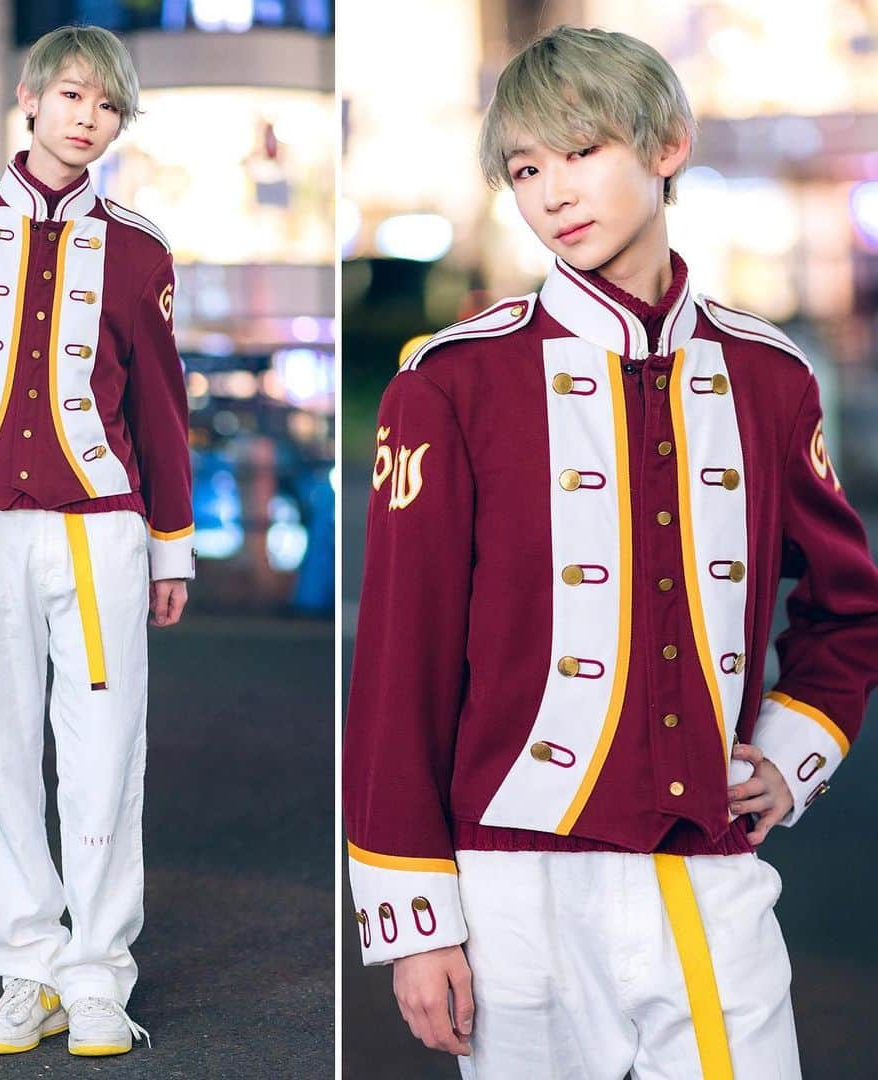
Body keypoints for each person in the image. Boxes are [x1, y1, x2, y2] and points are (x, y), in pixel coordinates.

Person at [342, 24, 878, 1078]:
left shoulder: (771, 377)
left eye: (580, 152)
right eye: (527, 169)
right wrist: (417, 919)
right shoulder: (450, 382)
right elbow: (398, 665)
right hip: (513, 888)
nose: (552, 193)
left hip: (710, 873)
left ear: (666, 145)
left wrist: (790, 751)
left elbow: (849, 607)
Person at [0, 24, 195, 1057]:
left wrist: (172, 544)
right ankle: (27, 970)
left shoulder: (143, 246)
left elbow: (160, 405)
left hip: (100, 531)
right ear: (28, 96)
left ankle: (100, 975)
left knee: (106, 758)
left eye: (107, 107)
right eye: (71, 96)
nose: (86, 119)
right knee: (3, 757)